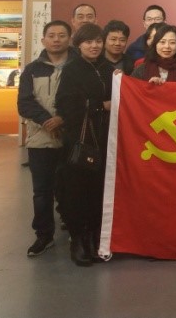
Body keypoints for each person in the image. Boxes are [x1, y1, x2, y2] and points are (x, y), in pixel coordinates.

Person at [54, 23, 115, 266]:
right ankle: (78, 241)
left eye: (98, 41)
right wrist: (100, 106)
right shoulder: (72, 69)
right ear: (78, 44)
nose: (94, 46)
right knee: (78, 192)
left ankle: (94, 239)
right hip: (79, 140)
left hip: (106, 139)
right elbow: (65, 106)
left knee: (99, 192)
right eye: (88, 41)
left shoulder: (109, 69)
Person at [17, 20, 75, 258]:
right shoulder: (32, 69)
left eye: (62, 35)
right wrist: (47, 120)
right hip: (41, 139)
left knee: (71, 188)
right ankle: (43, 235)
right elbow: (24, 103)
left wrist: (62, 119)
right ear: (43, 40)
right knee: (42, 191)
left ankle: (75, 230)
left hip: (71, 138)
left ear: (69, 39)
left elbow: (83, 98)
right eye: (51, 35)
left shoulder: (78, 67)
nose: (56, 39)